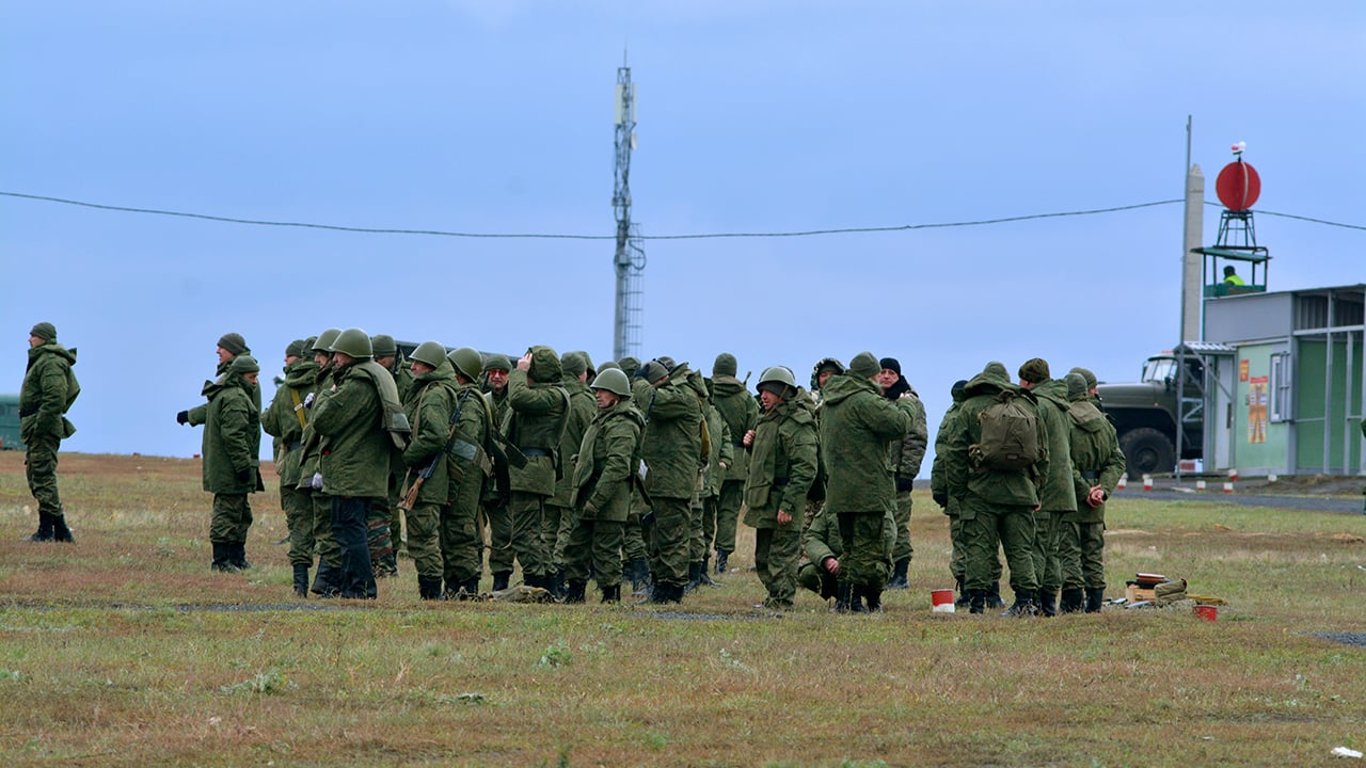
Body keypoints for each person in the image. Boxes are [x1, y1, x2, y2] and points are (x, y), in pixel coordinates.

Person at [943, 361, 1049, 616]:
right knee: (1021, 550)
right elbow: (1043, 454)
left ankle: (977, 603)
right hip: (1021, 492)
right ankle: (1025, 602)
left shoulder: (968, 408)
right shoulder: (1026, 405)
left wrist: (960, 491)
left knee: (979, 548)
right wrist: (1037, 490)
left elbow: (954, 452)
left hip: (980, 492)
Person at [311, 328, 408, 599]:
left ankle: (360, 588)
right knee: (353, 529)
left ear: (351, 354)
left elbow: (323, 420)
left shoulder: (356, 384)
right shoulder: (374, 376)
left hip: (352, 472)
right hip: (365, 471)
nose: (335, 359)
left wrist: (329, 393)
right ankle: (353, 585)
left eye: (339, 354)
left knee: (349, 531)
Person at [819, 352, 911, 613]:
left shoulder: (831, 401)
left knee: (849, 547)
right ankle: (851, 600)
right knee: (867, 548)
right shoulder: (864, 400)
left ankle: (847, 600)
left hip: (840, 489)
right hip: (867, 489)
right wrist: (907, 403)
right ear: (871, 375)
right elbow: (899, 424)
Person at [564, 367, 646, 603]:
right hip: (590, 495)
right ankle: (575, 594)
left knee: (606, 551)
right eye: (596, 390)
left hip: (609, 501)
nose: (597, 395)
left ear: (617, 394)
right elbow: (600, 453)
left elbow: (618, 466)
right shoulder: (603, 417)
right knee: (576, 547)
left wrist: (597, 501)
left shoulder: (623, 422)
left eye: (603, 391)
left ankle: (611, 598)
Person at [742, 366, 818, 611]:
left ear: (783, 393)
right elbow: (765, 462)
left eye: (769, 391)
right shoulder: (766, 420)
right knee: (763, 557)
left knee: (782, 557)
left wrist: (788, 505)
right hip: (765, 500)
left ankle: (782, 602)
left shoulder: (797, 423)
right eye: (762, 391)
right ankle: (774, 597)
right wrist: (751, 446)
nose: (763, 396)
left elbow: (805, 468)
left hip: (784, 499)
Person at [639, 358, 707, 603]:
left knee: (673, 537)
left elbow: (653, 402)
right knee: (659, 535)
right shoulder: (679, 393)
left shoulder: (682, 395)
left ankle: (673, 589)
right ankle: (661, 586)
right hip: (663, 479)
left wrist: (638, 382)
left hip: (674, 480)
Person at [505, 346, 570, 594]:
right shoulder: (547, 393)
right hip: (528, 471)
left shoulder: (553, 396)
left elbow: (518, 398)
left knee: (523, 534)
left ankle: (538, 585)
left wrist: (519, 373)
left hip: (531, 472)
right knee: (533, 533)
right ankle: (547, 584)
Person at [399, 341, 461, 599]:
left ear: (432, 366)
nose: (412, 366)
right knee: (424, 537)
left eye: (418, 363)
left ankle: (431, 594)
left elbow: (435, 436)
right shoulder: (430, 389)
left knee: (424, 538)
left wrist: (407, 456)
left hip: (427, 477)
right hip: (428, 474)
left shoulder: (434, 394)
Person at [1061, 371, 1126, 613]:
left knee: (1068, 550)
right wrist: (1102, 489)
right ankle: (1095, 603)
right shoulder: (1104, 422)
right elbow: (1117, 461)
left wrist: (1083, 489)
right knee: (1093, 552)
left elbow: (1063, 462)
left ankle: (1072, 602)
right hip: (1097, 499)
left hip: (1071, 497)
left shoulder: (1064, 420)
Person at [1017, 357, 1076, 617]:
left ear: (1029, 380)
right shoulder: (1060, 404)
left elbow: (1035, 450)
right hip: (1063, 488)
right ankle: (1049, 603)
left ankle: (1033, 602)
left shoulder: (1038, 404)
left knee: (1036, 545)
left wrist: (1034, 489)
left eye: (1022, 379)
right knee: (1052, 549)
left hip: (1046, 487)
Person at [261, 339, 319, 594]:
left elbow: (270, 424)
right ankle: (328, 583)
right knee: (328, 524)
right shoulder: (326, 384)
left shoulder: (286, 389)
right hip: (321, 461)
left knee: (298, 526)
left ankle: (300, 586)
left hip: (294, 464)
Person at [440, 347, 498, 598]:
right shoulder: (464, 398)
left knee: (461, 529)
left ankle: (466, 584)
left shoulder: (470, 404)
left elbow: (467, 445)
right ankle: (454, 583)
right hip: (462, 474)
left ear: (460, 374)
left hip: (464, 476)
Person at [201, 354, 263, 571]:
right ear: (239, 376)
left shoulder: (230, 394)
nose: (255, 381)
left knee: (241, 513)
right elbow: (234, 436)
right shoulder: (235, 398)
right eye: (251, 376)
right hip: (230, 469)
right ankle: (221, 561)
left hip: (229, 467)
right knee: (227, 513)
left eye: (256, 376)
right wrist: (244, 466)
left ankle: (236, 558)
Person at [19, 322, 79, 543]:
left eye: (33, 335)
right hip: (38, 426)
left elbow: (54, 398)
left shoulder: (51, 362)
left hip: (43, 428)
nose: (29, 339)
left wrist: (39, 426)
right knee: (36, 474)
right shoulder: (44, 360)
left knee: (43, 476)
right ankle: (59, 531)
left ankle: (49, 531)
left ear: (42, 338)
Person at [544, 351, 596, 597]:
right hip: (573, 478)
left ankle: (544, 576)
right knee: (568, 530)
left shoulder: (550, 395)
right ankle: (557, 576)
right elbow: (593, 435)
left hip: (549, 474)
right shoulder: (584, 401)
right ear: (582, 374)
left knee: (547, 530)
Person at [877, 357, 927, 590]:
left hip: (897, 476)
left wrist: (907, 473)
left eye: (891, 373)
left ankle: (901, 573)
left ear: (898, 376)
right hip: (876, 476)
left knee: (898, 525)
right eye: (882, 372)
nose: (886, 376)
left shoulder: (909, 402)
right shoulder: (873, 401)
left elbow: (916, 440)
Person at [709, 352, 757, 575]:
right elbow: (754, 427)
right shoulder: (746, 397)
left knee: (706, 512)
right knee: (729, 512)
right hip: (737, 464)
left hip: (711, 460)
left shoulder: (708, 392)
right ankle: (722, 560)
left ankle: (700, 560)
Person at [481, 353, 516, 590]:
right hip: (483, 474)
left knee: (504, 532)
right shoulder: (482, 401)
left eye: (502, 372)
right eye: (492, 372)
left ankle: (500, 580)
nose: (496, 376)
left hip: (509, 477)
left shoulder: (518, 402)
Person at [177, 332, 255, 426]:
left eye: (222, 347)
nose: (217, 351)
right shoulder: (235, 374)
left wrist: (191, 415)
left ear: (232, 350)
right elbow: (218, 406)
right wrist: (190, 415)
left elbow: (225, 408)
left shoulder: (240, 376)